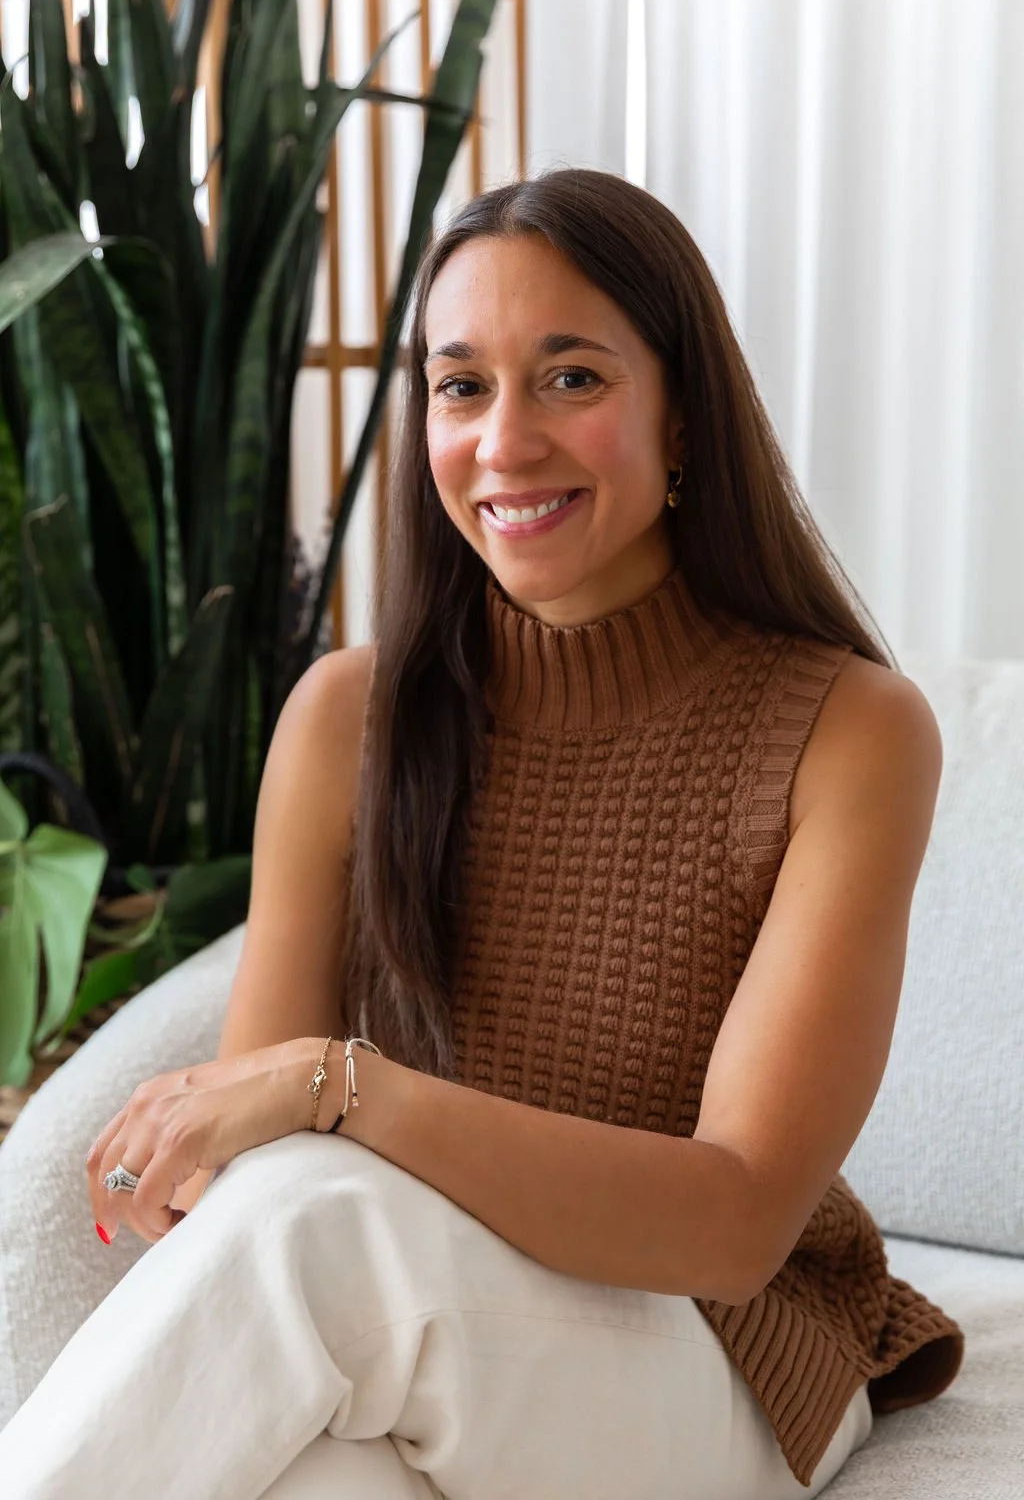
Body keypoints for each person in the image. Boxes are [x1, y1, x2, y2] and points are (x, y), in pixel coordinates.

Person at [0, 166, 963, 1499]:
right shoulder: (348, 716)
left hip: (717, 1356)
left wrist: (346, 1087)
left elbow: (738, 1222)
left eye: (572, 377)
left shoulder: (850, 731)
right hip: (419, 1333)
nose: (506, 441)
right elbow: (237, 1175)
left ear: (684, 416)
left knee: (316, 1224)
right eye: (461, 385)